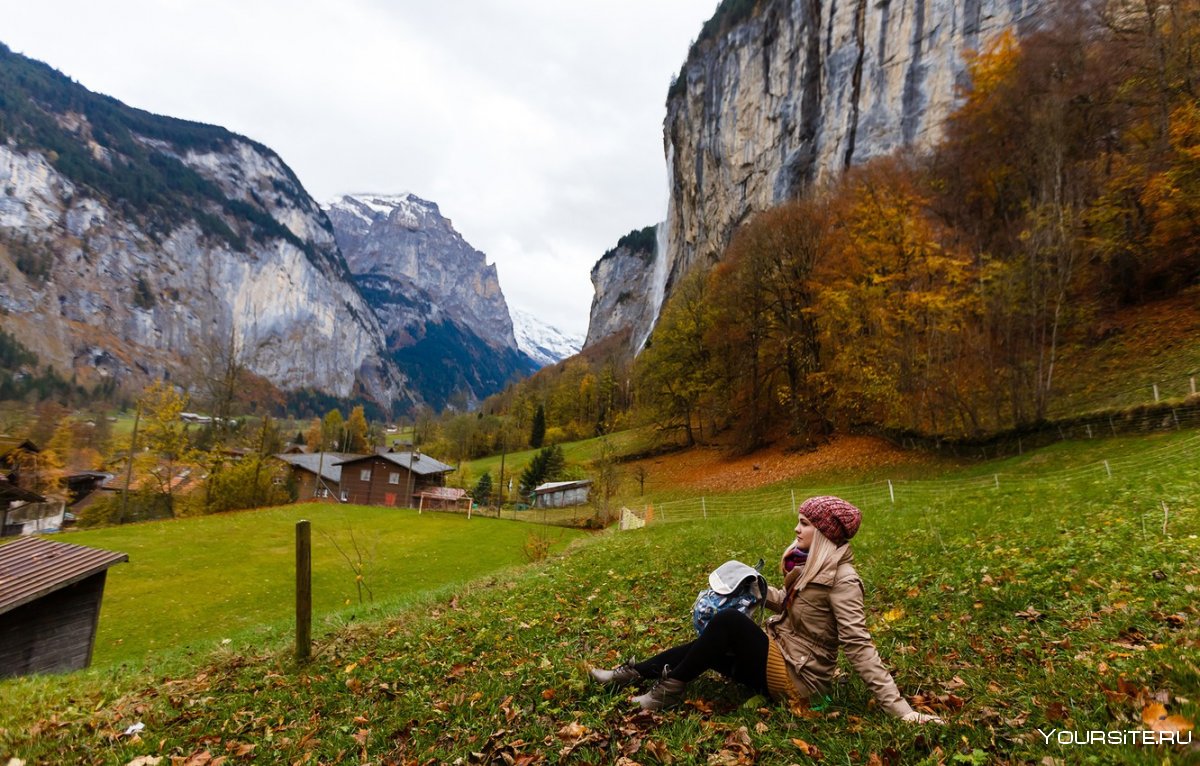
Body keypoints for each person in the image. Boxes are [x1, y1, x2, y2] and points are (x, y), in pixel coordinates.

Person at [589, 496, 943, 724]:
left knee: (729, 623)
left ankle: (667, 692)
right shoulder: (811, 566)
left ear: (823, 532)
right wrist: (755, 587)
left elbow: (859, 646)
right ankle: (630, 674)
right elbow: (792, 603)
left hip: (799, 679)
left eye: (804, 523)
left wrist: (902, 710)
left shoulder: (844, 581)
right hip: (781, 652)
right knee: (709, 646)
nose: (796, 528)